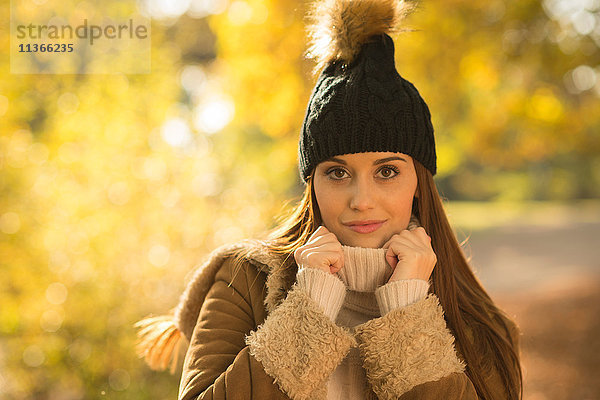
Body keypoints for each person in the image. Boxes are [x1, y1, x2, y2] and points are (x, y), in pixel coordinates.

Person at [135, 0, 523, 399]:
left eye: (386, 172)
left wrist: (408, 313)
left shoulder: (481, 323)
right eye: (337, 173)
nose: (361, 200)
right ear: (313, 183)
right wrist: (309, 310)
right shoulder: (244, 280)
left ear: (418, 182)